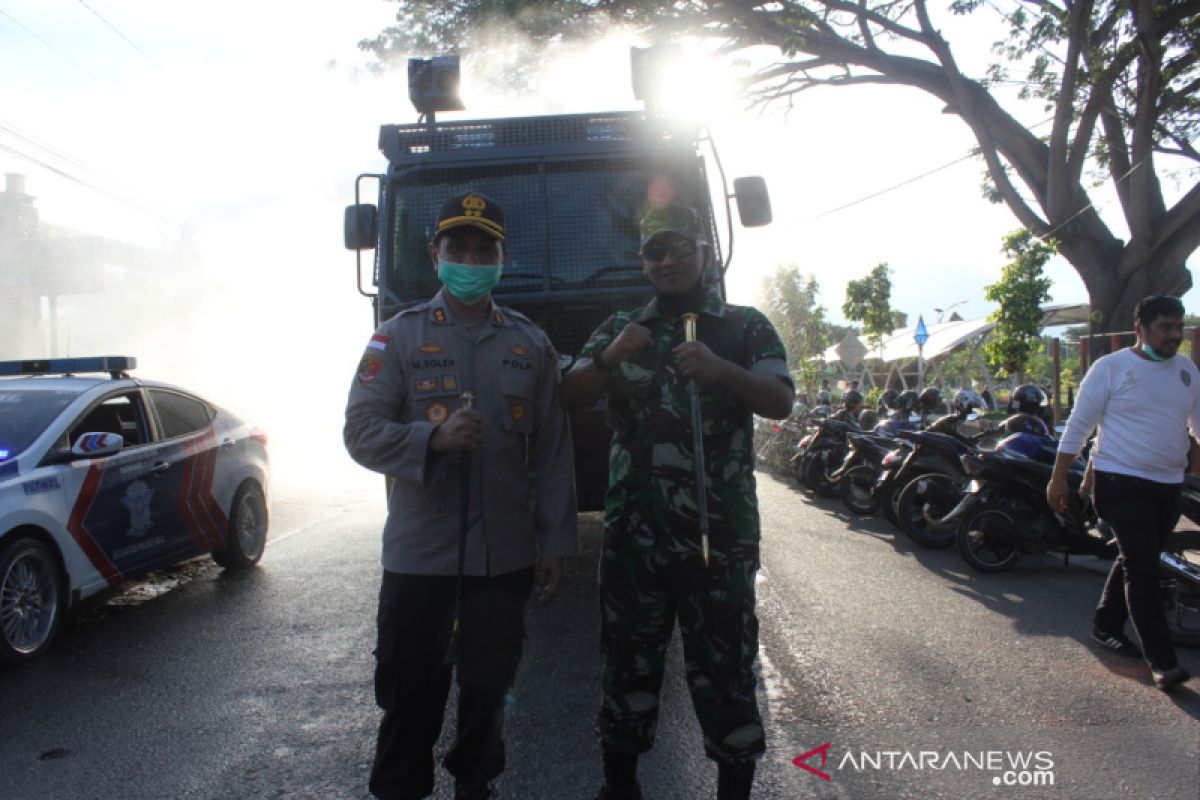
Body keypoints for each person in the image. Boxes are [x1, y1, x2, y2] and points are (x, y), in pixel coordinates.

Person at [344, 191, 579, 799]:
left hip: (503, 559)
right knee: (409, 693)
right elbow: (360, 433)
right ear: (435, 254)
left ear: (502, 259)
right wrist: (432, 438)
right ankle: (401, 790)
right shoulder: (396, 340)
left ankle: (477, 784)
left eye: (484, 249)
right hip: (420, 559)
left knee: (489, 688)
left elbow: (552, 453)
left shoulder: (531, 345)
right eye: (459, 247)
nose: (471, 259)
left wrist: (554, 542)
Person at [560, 203, 793, 800]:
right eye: (654, 252)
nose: (667, 261)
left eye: (679, 248)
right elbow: (569, 391)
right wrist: (612, 356)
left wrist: (721, 370)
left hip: (721, 539)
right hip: (636, 540)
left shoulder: (743, 326)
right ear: (642, 262)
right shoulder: (620, 327)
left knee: (727, 671)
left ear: (703, 251)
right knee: (627, 666)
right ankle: (621, 786)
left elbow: (779, 399)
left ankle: (733, 789)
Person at [1047, 295, 1200, 691]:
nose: (1173, 335)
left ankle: (1105, 623)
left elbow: (1198, 426)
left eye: (1177, 327)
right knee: (1144, 568)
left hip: (1168, 483)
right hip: (1119, 481)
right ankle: (1163, 663)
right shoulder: (1111, 368)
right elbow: (1079, 426)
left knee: (1140, 556)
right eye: (1165, 327)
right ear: (1141, 329)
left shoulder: (1186, 371)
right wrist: (1059, 477)